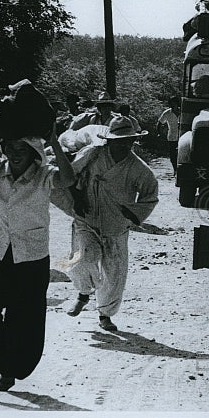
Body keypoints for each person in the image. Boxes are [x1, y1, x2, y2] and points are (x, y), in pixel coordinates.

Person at [0, 118, 75, 395]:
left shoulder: (45, 174)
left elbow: (69, 179)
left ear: (34, 152)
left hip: (30, 256)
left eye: (23, 147)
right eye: (11, 146)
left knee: (24, 317)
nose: (16, 152)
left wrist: (53, 139)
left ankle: (9, 371)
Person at [64, 116, 159, 332]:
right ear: (109, 141)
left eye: (129, 141)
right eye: (119, 141)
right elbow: (70, 174)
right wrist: (76, 197)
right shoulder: (92, 154)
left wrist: (132, 212)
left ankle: (105, 314)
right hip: (86, 218)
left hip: (115, 224)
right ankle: (82, 293)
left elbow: (150, 194)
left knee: (114, 272)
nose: (124, 145)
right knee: (82, 259)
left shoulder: (138, 168)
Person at [156, 96, 181, 174]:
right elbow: (160, 123)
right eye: (172, 104)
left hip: (182, 136)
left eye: (175, 104)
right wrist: (159, 133)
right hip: (172, 136)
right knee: (173, 155)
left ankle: (180, 170)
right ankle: (175, 170)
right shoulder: (167, 113)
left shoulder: (183, 112)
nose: (173, 105)